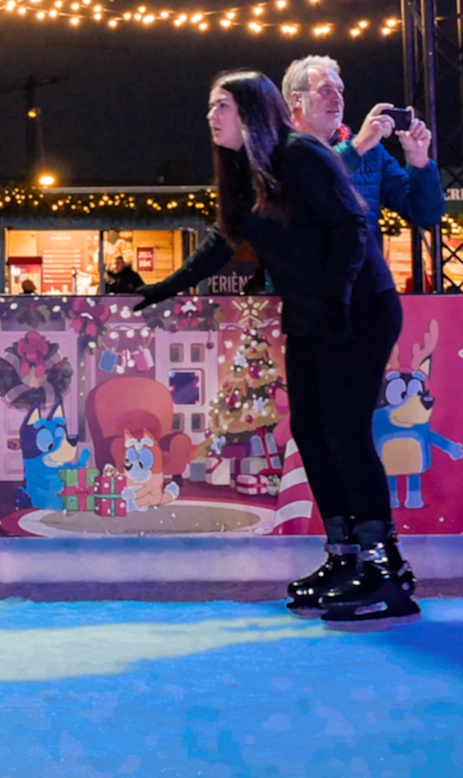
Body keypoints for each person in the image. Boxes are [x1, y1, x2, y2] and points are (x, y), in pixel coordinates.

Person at [135, 68, 419, 628]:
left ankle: (386, 570)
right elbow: (223, 242)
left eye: (221, 106)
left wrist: (337, 304)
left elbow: (351, 229)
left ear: (252, 110)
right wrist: (164, 287)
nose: (211, 117)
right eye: (210, 108)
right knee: (313, 432)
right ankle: (345, 558)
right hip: (311, 315)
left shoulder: (300, 154)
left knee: (345, 430)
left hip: (358, 309)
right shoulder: (244, 172)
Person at [283, 55, 443, 258]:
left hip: (362, 281)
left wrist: (419, 160)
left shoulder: (372, 152)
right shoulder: (275, 145)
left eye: (340, 90)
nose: (336, 98)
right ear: (297, 99)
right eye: (325, 90)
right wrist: (358, 145)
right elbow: (313, 179)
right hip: (300, 281)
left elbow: (426, 214)